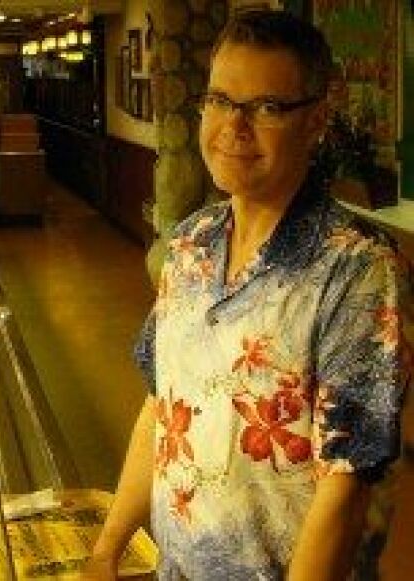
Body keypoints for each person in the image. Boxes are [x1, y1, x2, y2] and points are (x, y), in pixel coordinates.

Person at [85, 10, 412, 581]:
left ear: (316, 120)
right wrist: (107, 548)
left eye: (265, 107)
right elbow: (160, 406)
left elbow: (345, 488)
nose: (233, 126)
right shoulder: (187, 245)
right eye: (219, 100)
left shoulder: (357, 270)